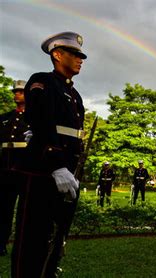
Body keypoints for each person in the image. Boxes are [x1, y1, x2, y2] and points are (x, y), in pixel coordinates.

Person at [12, 32, 87, 277]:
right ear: (57, 54)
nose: (80, 59)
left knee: (56, 239)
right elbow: (42, 122)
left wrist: (72, 169)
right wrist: (57, 165)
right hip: (45, 172)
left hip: (68, 175)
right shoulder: (42, 81)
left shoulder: (75, 95)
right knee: (33, 238)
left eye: (81, 56)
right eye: (75, 54)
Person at [0, 80, 28, 256]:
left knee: (25, 211)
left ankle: (23, 244)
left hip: (24, 168)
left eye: (20, 91)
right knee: (3, 208)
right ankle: (1, 242)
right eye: (15, 91)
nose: (16, 94)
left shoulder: (34, 118)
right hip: (4, 168)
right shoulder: (4, 118)